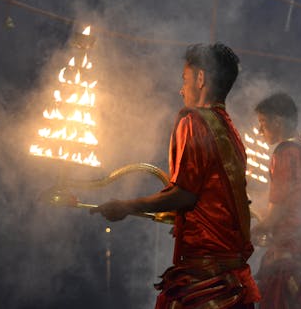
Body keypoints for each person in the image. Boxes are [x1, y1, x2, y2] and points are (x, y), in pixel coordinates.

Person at [91, 43, 260, 309]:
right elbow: (212, 198)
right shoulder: (231, 132)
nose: (181, 89)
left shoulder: (194, 121)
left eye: (185, 79)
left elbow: (184, 193)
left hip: (204, 278)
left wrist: (126, 206)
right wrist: (183, 218)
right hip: (231, 276)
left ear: (201, 78)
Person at [250, 93, 301, 309]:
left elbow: (277, 213)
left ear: (278, 122)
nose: (261, 130)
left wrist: (249, 234)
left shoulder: (284, 152)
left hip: (289, 254)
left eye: (263, 123)